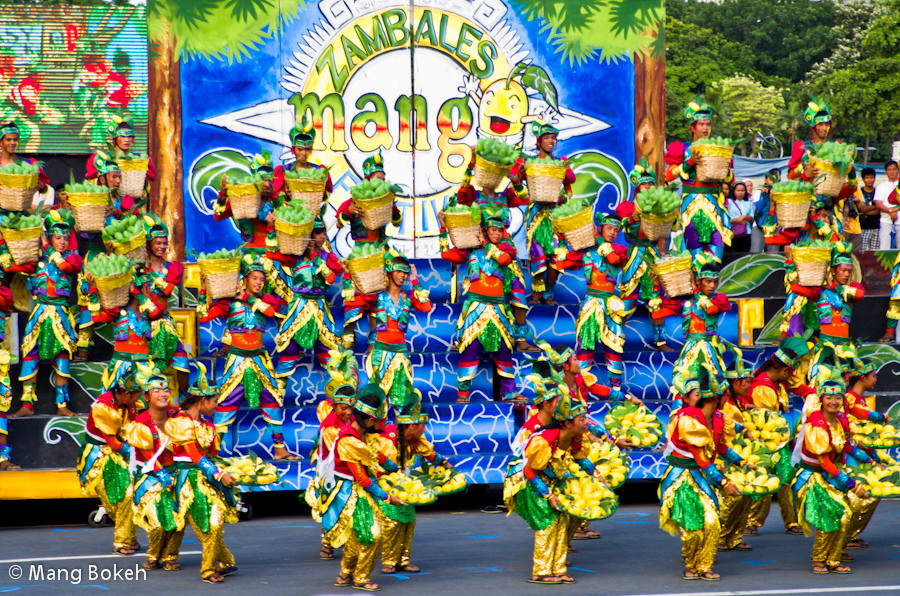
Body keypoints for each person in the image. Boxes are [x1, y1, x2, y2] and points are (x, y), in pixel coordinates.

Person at [198, 255, 297, 460]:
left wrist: (247, 297)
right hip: (237, 361)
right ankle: (212, 451)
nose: (259, 283)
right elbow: (203, 316)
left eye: (262, 279)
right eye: (255, 278)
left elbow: (270, 312)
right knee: (226, 404)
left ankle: (279, 449)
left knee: (272, 401)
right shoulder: (229, 305)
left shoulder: (265, 301)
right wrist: (202, 289)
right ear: (244, 279)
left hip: (259, 361)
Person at [507, 388, 595, 584]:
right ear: (567, 423)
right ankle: (541, 571)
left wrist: (596, 477)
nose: (586, 423)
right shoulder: (544, 440)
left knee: (563, 522)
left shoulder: (575, 436)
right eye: (582, 419)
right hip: (533, 482)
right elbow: (529, 471)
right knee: (548, 524)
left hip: (555, 479)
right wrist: (548, 495)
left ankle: (558, 568)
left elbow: (582, 459)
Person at [659, 379, 744, 581]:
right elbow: (701, 459)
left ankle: (705, 565)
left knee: (713, 522)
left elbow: (720, 446)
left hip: (704, 476)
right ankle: (691, 564)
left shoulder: (717, 418)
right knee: (693, 529)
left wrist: (742, 462)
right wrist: (724, 482)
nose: (726, 398)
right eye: (723, 395)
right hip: (683, 479)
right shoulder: (687, 420)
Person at [164, 364, 239, 584]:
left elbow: (210, 455)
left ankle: (225, 561)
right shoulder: (181, 423)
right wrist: (219, 474)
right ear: (202, 400)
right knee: (209, 523)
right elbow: (195, 456)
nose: (217, 405)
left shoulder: (205, 423)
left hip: (205, 477)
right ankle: (208, 569)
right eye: (214, 401)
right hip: (189, 479)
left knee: (213, 520)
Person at [791, 379, 875, 574]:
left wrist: (869, 461)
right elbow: (824, 462)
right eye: (829, 397)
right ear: (821, 399)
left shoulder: (840, 420)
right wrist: (852, 485)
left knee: (846, 514)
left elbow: (846, 446)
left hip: (831, 475)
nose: (833, 402)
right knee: (832, 516)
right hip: (813, 477)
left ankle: (833, 559)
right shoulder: (816, 425)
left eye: (838, 397)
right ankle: (819, 560)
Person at [329, 383, 404, 592]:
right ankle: (361, 577)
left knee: (356, 536)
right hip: (351, 493)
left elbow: (374, 454)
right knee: (373, 534)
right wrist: (388, 497)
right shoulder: (348, 440)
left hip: (358, 490)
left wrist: (394, 469)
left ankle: (345, 573)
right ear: (370, 419)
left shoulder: (360, 433)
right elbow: (362, 479)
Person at [444, 206, 522, 403]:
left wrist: (486, 245)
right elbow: (447, 256)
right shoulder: (470, 252)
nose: (495, 233)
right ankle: (463, 393)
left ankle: (510, 393)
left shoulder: (507, 250)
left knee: (504, 350)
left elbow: (503, 259)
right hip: (476, 308)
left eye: (498, 230)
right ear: (485, 231)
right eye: (492, 230)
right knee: (471, 348)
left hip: (497, 309)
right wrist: (443, 229)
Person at [13, 210, 83, 418]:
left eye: (65, 238)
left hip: (60, 313)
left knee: (62, 356)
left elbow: (65, 266)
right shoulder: (38, 260)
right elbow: (17, 265)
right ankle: (27, 404)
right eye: (57, 237)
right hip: (39, 312)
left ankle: (62, 404)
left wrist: (46, 246)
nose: (62, 241)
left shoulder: (73, 259)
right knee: (30, 354)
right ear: (51, 236)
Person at [744, 338, 811, 536]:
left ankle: (791, 521)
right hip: (763, 442)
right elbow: (766, 421)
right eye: (788, 372)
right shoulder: (763, 387)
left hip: (777, 441)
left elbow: (796, 387)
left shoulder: (775, 382)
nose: (790, 377)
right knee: (765, 480)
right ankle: (752, 521)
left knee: (786, 478)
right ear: (782, 371)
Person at [122, 366, 184, 571]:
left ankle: (170, 556)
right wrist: (164, 476)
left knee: (178, 519)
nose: (164, 393)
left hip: (176, 473)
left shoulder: (178, 416)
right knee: (158, 522)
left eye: (166, 389)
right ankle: (154, 554)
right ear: (147, 397)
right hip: (150, 477)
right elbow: (150, 459)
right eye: (157, 390)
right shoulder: (140, 423)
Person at [338, 150, 402, 348]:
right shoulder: (355, 200)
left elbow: (397, 222)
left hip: (380, 254)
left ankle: (375, 347)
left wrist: (391, 208)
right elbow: (340, 221)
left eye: (383, 179)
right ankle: (347, 346)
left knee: (378, 300)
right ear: (367, 179)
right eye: (376, 179)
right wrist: (348, 212)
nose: (380, 183)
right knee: (354, 299)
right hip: (360, 255)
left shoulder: (385, 199)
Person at [379, 405, 453, 575]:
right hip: (385, 485)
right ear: (412, 425)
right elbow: (381, 469)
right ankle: (388, 561)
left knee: (409, 521)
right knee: (393, 522)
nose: (425, 428)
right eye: (423, 424)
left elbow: (430, 454)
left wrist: (448, 467)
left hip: (403, 484)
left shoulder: (414, 439)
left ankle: (403, 560)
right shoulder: (389, 441)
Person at [76, 369, 140, 554]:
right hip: (99, 456)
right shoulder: (104, 407)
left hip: (117, 452)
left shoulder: (128, 404)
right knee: (118, 498)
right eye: (137, 394)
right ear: (126, 393)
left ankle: (127, 540)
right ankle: (124, 540)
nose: (140, 398)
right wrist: (136, 453)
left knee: (126, 494)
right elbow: (113, 442)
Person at [619, 161, 680, 351]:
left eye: (650, 184)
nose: (647, 187)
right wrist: (634, 217)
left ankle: (660, 342)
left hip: (652, 254)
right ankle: (614, 337)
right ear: (636, 186)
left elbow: (674, 225)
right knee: (626, 298)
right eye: (643, 184)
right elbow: (622, 226)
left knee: (655, 300)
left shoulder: (658, 206)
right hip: (635, 254)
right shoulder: (627, 206)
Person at [513, 122, 576, 305]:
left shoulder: (560, 164)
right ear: (538, 141)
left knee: (557, 254)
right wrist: (517, 181)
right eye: (547, 138)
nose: (551, 141)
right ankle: (537, 294)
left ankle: (549, 293)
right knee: (537, 253)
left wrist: (562, 200)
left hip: (555, 215)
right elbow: (522, 194)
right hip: (536, 216)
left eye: (554, 138)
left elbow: (569, 190)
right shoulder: (529, 164)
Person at [271, 219, 342, 379]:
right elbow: (271, 254)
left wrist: (316, 258)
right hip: (299, 307)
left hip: (319, 308)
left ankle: (338, 393)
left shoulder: (327, 256)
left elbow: (331, 278)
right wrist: (270, 227)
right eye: (318, 233)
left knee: (328, 350)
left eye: (324, 233)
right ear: (309, 236)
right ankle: (278, 396)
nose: (322, 236)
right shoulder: (295, 256)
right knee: (288, 351)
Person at [306, 348, 358, 561]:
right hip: (332, 470)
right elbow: (340, 448)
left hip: (347, 469)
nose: (347, 411)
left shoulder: (352, 415)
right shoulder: (329, 423)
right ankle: (328, 544)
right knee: (330, 507)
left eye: (349, 406)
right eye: (343, 407)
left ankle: (348, 543)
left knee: (347, 509)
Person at [665, 95, 733, 260]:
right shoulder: (683, 148)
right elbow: (668, 175)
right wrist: (690, 162)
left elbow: (730, 179)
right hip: (692, 203)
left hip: (714, 201)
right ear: (693, 127)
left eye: (708, 124)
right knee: (694, 253)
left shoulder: (718, 148)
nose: (705, 128)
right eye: (701, 124)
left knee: (717, 252)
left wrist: (724, 169)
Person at [364, 249, 432, 415]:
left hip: (401, 354)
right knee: (377, 399)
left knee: (402, 399)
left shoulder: (408, 297)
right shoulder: (378, 297)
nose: (403, 275)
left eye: (405, 272)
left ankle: (400, 436)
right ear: (389, 272)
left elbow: (427, 307)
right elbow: (361, 296)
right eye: (399, 271)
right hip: (381, 352)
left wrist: (416, 282)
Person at [566, 213, 628, 388]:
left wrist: (599, 240)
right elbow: (565, 262)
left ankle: (615, 388)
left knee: (614, 346)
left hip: (610, 305)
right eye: (609, 228)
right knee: (585, 345)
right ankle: (580, 387)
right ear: (601, 228)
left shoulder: (619, 250)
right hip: (591, 303)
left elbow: (613, 259)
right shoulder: (588, 250)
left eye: (616, 230)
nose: (612, 232)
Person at [143, 215, 190, 395]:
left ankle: (185, 399)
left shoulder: (172, 267)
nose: (162, 247)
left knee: (182, 361)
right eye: (158, 243)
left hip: (164, 322)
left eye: (164, 243)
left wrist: (149, 279)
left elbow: (168, 290)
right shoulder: (140, 266)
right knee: (150, 366)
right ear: (149, 244)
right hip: (145, 324)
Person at [671, 253, 730, 392]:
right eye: (708, 281)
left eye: (715, 282)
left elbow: (709, 309)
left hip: (708, 347)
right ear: (699, 280)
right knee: (682, 382)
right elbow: (662, 311)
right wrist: (655, 287)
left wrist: (695, 289)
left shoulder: (719, 299)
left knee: (714, 382)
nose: (712, 286)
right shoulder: (689, 301)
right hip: (690, 346)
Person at [85, 113, 156, 200]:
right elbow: (92, 181)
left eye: (129, 136)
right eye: (122, 136)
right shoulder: (103, 158)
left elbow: (152, 176)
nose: (127, 140)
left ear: (133, 139)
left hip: (131, 204)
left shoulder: (139, 160)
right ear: (115, 138)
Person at [0, 120, 49, 193]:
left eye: (15, 140)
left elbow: (45, 186)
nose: (13, 143)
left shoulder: (28, 163)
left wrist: (41, 185)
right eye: (8, 140)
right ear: (1, 142)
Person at [750, 169, 781, 253]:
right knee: (755, 252)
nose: (773, 182)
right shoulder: (758, 192)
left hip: (775, 226)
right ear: (765, 180)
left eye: (777, 180)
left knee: (773, 253)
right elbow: (757, 209)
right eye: (771, 179)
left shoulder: (781, 194)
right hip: (758, 226)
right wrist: (763, 196)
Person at [852, 167, 880, 251]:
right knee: (862, 252)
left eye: (871, 177)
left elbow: (878, 211)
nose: (870, 180)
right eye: (867, 178)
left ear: (874, 178)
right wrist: (876, 206)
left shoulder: (878, 192)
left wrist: (865, 209)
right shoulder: (859, 192)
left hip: (876, 227)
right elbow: (860, 210)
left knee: (875, 253)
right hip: (862, 227)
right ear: (863, 179)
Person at [875, 161, 900, 250]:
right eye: (889, 170)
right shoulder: (881, 186)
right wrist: (889, 211)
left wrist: (894, 210)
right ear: (886, 172)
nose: (892, 171)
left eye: (894, 169)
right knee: (884, 248)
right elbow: (878, 203)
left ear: (898, 170)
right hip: (886, 221)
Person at [725, 182, 754, 252]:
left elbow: (751, 217)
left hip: (746, 232)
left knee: (744, 252)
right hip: (733, 232)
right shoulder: (729, 202)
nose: (740, 193)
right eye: (738, 191)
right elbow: (726, 216)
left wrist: (744, 217)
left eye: (742, 191)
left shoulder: (748, 203)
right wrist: (736, 220)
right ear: (734, 191)